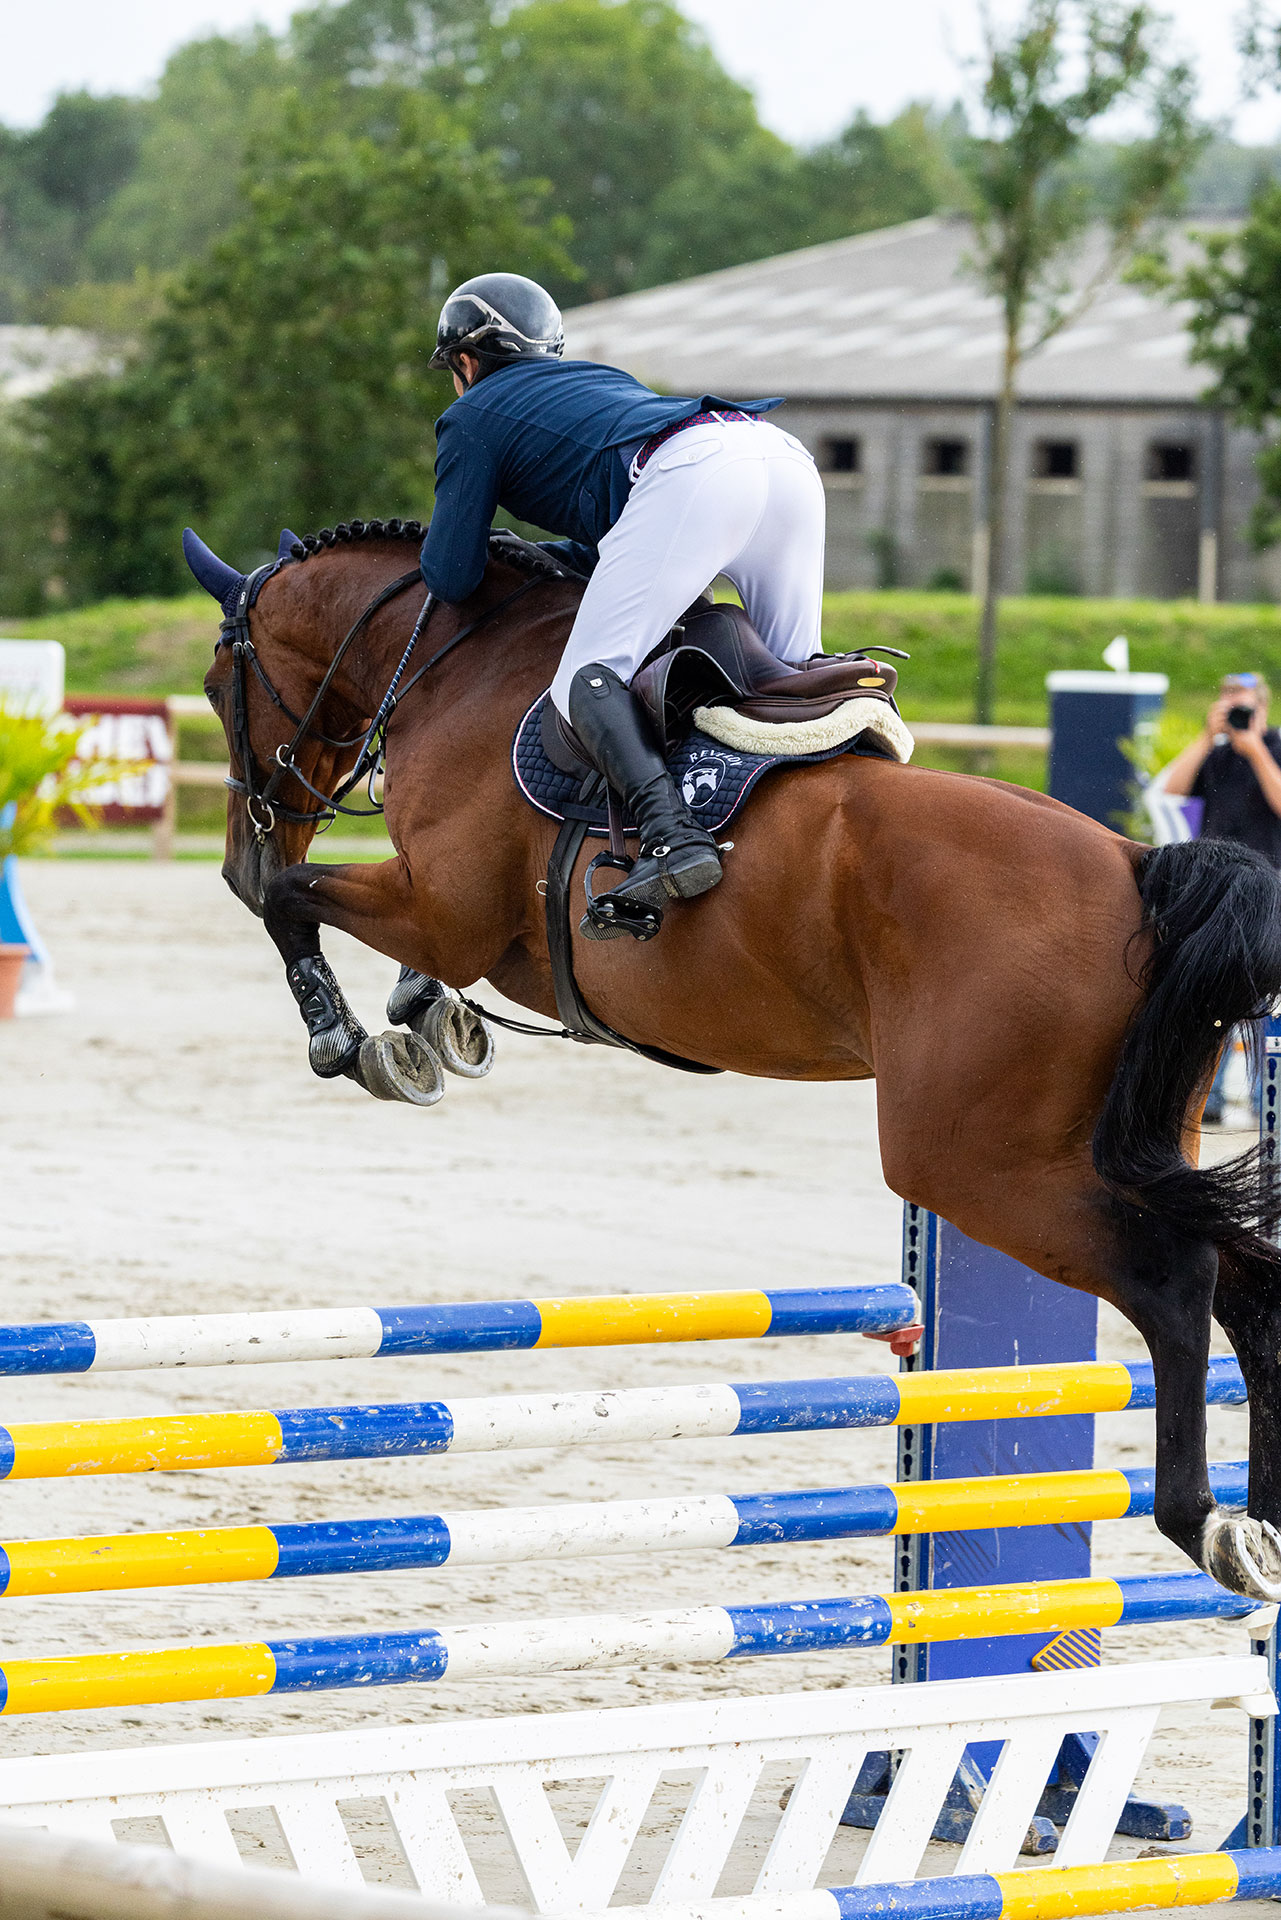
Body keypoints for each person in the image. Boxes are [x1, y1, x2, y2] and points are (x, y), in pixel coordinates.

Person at [418, 271, 827, 938]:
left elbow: (452, 575)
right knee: (794, 683)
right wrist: (542, 551)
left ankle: (671, 836)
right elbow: (624, 542)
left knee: (587, 679)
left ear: (465, 361)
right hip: (777, 454)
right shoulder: (593, 381)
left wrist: (488, 544)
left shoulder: (470, 415)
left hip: (693, 474)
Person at [1160, 671, 1281, 1122]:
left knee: (1259, 989)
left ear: (1263, 709)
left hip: (1267, 881)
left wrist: (1255, 748)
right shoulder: (1217, 757)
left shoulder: (1274, 747)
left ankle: (1260, 1099)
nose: (1237, 714)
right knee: (1214, 987)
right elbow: (1172, 792)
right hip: (1218, 881)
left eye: (1244, 706)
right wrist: (1205, 738)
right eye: (1229, 705)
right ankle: (1207, 1099)